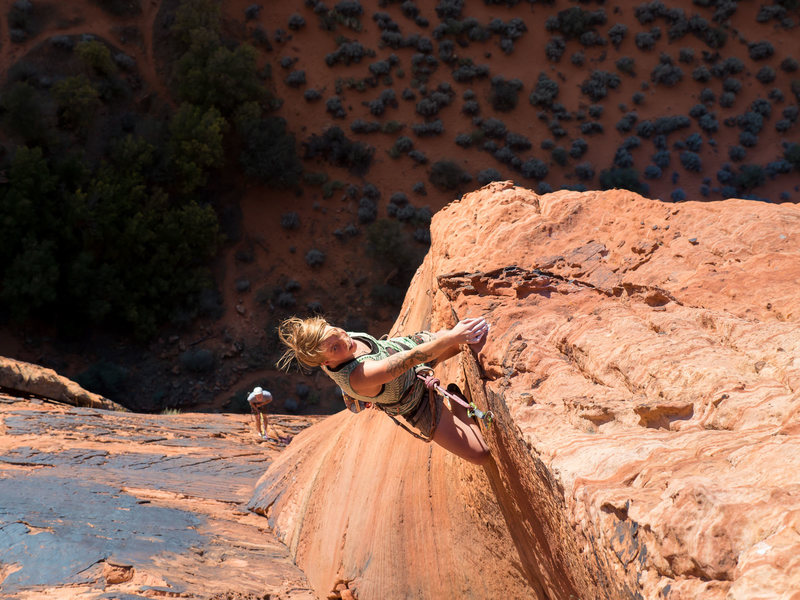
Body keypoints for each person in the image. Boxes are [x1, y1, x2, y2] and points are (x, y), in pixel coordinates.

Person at [277, 316, 491, 465]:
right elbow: (410, 359)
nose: (345, 340)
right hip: (414, 400)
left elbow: (411, 354)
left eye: (336, 332)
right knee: (479, 453)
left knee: (466, 338)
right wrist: (452, 337)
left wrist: (451, 338)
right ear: (325, 362)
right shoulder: (359, 377)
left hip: (402, 348)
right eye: (335, 348)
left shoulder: (335, 342)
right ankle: (456, 398)